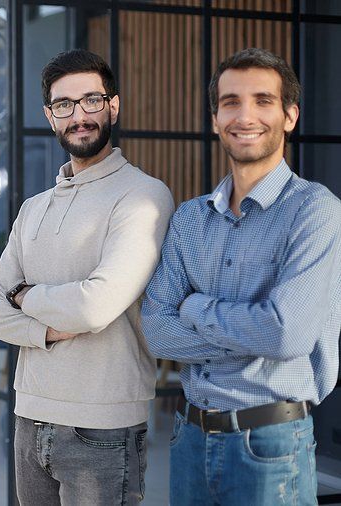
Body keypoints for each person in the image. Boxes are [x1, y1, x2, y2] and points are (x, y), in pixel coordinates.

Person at [142, 48, 341, 505]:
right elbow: (156, 331)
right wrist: (255, 334)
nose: (245, 116)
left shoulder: (315, 211)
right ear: (215, 119)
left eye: (263, 100)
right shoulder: (190, 219)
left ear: (290, 116)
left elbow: (287, 334)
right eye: (231, 102)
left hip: (271, 445)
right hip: (189, 439)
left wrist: (195, 308)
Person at [0, 49, 174, 505]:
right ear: (50, 116)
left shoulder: (142, 196)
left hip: (104, 424)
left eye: (91, 100)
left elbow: (95, 306)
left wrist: (24, 295)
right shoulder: (33, 208)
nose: (79, 116)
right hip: (29, 414)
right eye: (64, 105)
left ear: (113, 106)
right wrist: (47, 330)